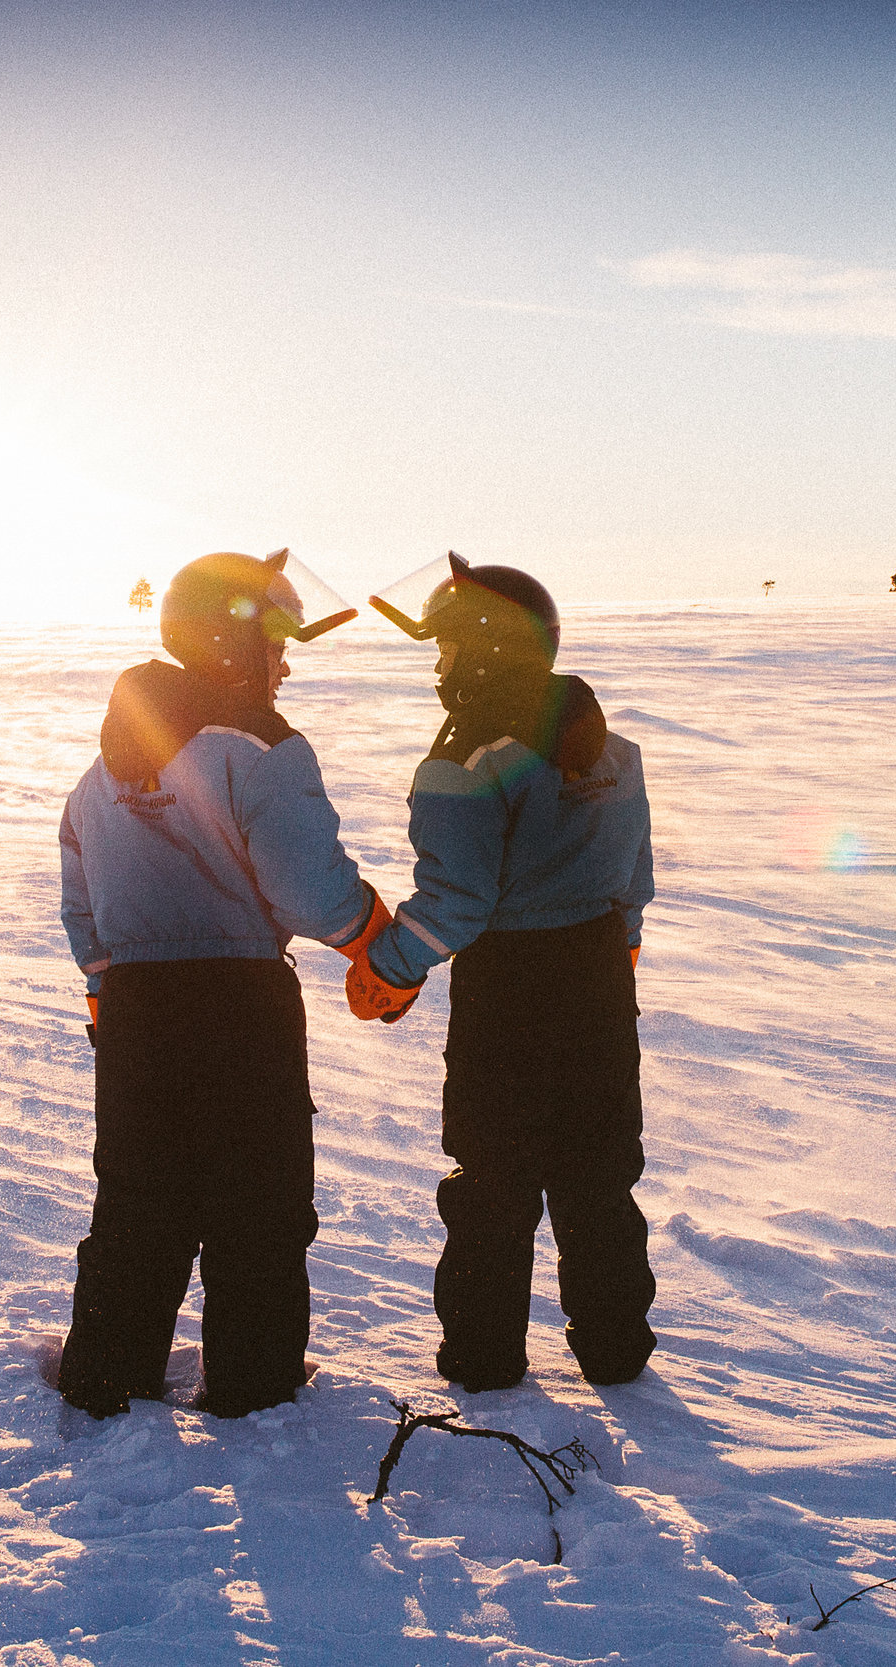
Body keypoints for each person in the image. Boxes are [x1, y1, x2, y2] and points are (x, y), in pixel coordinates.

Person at [56, 550, 389, 1419]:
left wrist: (107, 995)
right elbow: (308, 891)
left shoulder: (102, 771)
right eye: (276, 646)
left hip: (135, 1012)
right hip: (241, 1006)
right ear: (232, 646)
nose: (285, 666)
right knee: (258, 1206)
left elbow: (79, 901)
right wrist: (373, 935)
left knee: (138, 1201)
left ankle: (105, 1376)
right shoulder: (261, 746)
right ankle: (253, 1387)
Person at [344, 555, 657, 1392]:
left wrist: (388, 967)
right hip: (599, 980)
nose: (440, 667)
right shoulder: (614, 749)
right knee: (599, 1170)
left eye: (446, 648)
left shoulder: (464, 759)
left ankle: (484, 1357)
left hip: (509, 991)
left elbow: (457, 900)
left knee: (494, 1176)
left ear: (482, 654)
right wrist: (616, 955)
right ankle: (616, 1345)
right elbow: (635, 879)